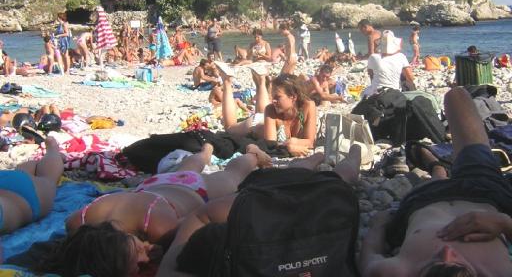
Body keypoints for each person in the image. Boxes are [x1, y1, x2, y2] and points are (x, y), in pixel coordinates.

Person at [42, 143, 271, 277]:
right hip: (153, 186)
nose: (148, 255)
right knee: (189, 165)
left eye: (139, 253)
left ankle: (252, 154)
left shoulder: (161, 229)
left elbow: (200, 219)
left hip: (193, 189)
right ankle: (205, 151)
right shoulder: (77, 222)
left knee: (232, 176)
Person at [360, 87, 512, 277]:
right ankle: (435, 164)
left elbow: (370, 257)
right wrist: (505, 224)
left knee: (434, 180)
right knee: (456, 96)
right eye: (461, 265)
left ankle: (436, 168)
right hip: (484, 193)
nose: (447, 252)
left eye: (434, 263)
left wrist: (379, 225)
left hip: (426, 199)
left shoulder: (396, 272)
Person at [155, 145, 362, 276]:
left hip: (322, 199)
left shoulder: (246, 239)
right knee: (300, 174)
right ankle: (348, 152)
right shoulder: (239, 212)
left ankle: (330, 156)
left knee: (341, 176)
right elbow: (199, 218)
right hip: (277, 195)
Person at [218, 62, 316, 157]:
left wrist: (295, 142)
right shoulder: (271, 109)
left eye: (278, 97)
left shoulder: (308, 106)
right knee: (230, 128)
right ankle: (227, 81)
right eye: (273, 96)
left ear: (293, 97)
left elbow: (310, 142)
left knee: (265, 109)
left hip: (268, 118)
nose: (273, 100)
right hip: (255, 124)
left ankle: (261, 78)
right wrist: (290, 146)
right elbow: (270, 144)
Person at [0, 136, 64, 235]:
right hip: (11, 184)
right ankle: (51, 153)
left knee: (49, 179)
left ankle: (53, 150)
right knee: (24, 174)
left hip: (23, 198)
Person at [364, 30, 414, 97]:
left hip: (376, 92)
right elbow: (410, 78)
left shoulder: (373, 57)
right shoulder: (401, 56)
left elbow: (372, 77)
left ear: (380, 44)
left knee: (364, 93)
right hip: (395, 91)